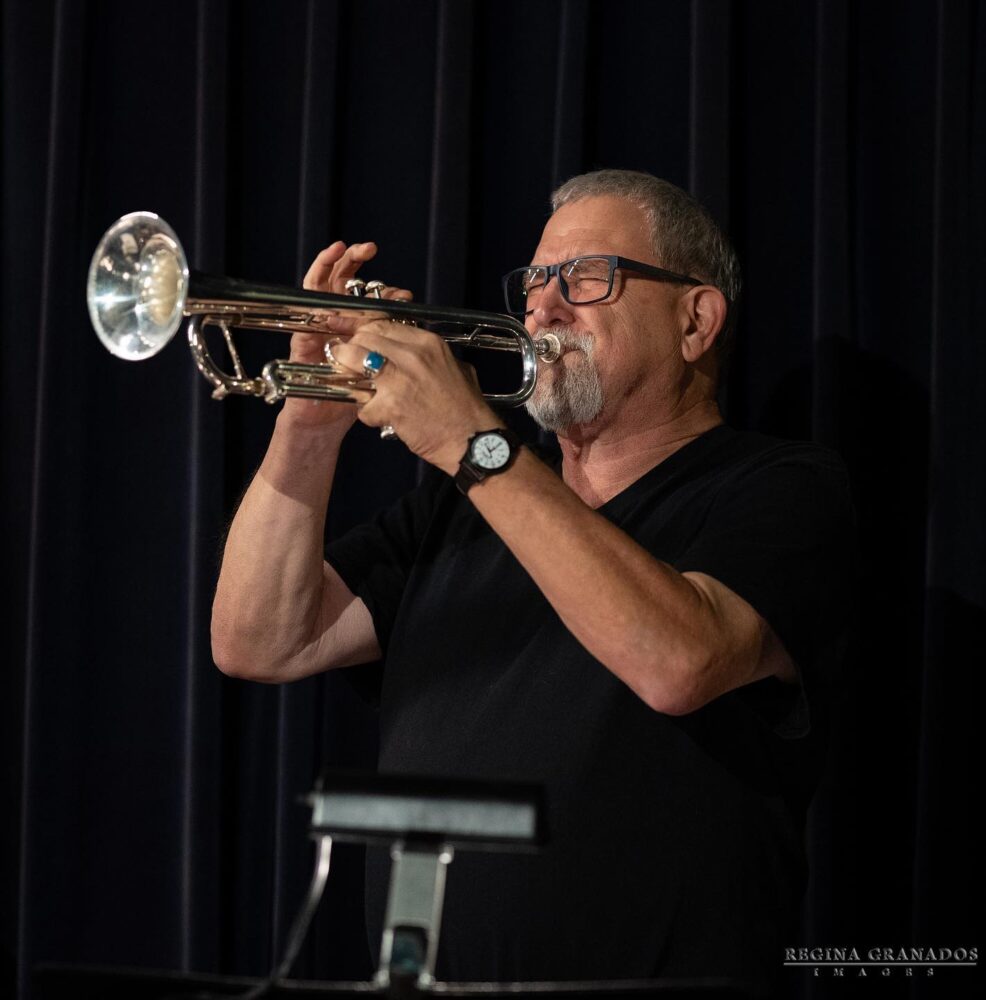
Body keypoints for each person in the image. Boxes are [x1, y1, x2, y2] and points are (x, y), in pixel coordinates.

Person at [211, 169, 855, 994]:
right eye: (536, 280)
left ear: (695, 321)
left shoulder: (781, 488)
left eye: (586, 277)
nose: (543, 308)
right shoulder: (457, 507)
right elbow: (257, 642)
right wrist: (310, 423)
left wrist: (470, 440)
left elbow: (680, 661)